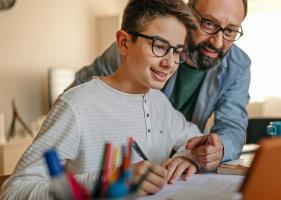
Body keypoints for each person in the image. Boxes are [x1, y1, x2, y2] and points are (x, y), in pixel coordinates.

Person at [0, 0, 201, 199]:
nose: (169, 63)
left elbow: (194, 138)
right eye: (159, 46)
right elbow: (14, 191)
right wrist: (108, 180)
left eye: (177, 51)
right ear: (123, 43)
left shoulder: (159, 102)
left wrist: (187, 156)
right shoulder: (76, 106)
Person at [70, 0, 251, 170]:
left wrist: (213, 150)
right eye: (209, 23)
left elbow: (232, 126)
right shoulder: (136, 46)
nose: (218, 42)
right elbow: (81, 92)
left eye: (230, 31)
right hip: (120, 168)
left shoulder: (238, 66)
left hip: (178, 165)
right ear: (188, 13)